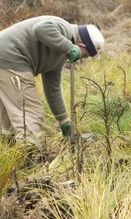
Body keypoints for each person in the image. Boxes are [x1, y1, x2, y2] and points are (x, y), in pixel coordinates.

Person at [0, 16, 104, 148]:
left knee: (9, 115)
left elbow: (52, 89)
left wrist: (64, 120)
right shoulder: (65, 28)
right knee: (30, 112)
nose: (81, 58)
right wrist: (69, 47)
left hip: (5, 61)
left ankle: (8, 153)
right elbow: (41, 28)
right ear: (81, 45)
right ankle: (29, 156)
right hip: (9, 58)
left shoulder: (59, 57)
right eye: (85, 55)